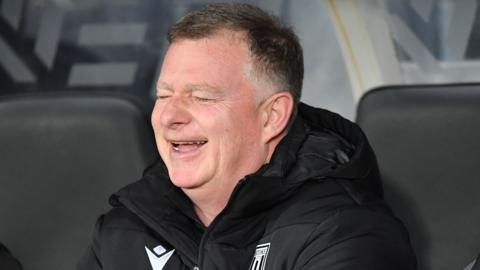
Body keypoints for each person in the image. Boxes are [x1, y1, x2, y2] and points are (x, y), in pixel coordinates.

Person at [78, 3, 416, 270]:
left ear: (272, 116)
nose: (170, 116)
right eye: (164, 95)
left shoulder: (346, 232)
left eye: (202, 97)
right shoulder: (124, 228)